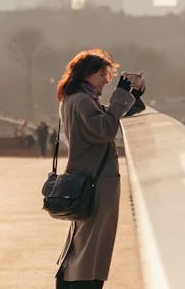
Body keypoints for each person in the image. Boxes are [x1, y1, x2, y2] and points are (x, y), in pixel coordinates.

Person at [54, 49, 146, 289]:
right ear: (88, 75)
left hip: (86, 178)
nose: (106, 80)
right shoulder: (82, 101)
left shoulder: (74, 99)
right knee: (93, 245)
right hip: (94, 181)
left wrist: (131, 95)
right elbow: (106, 128)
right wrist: (120, 97)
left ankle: (74, 282)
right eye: (103, 75)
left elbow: (108, 116)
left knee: (84, 242)